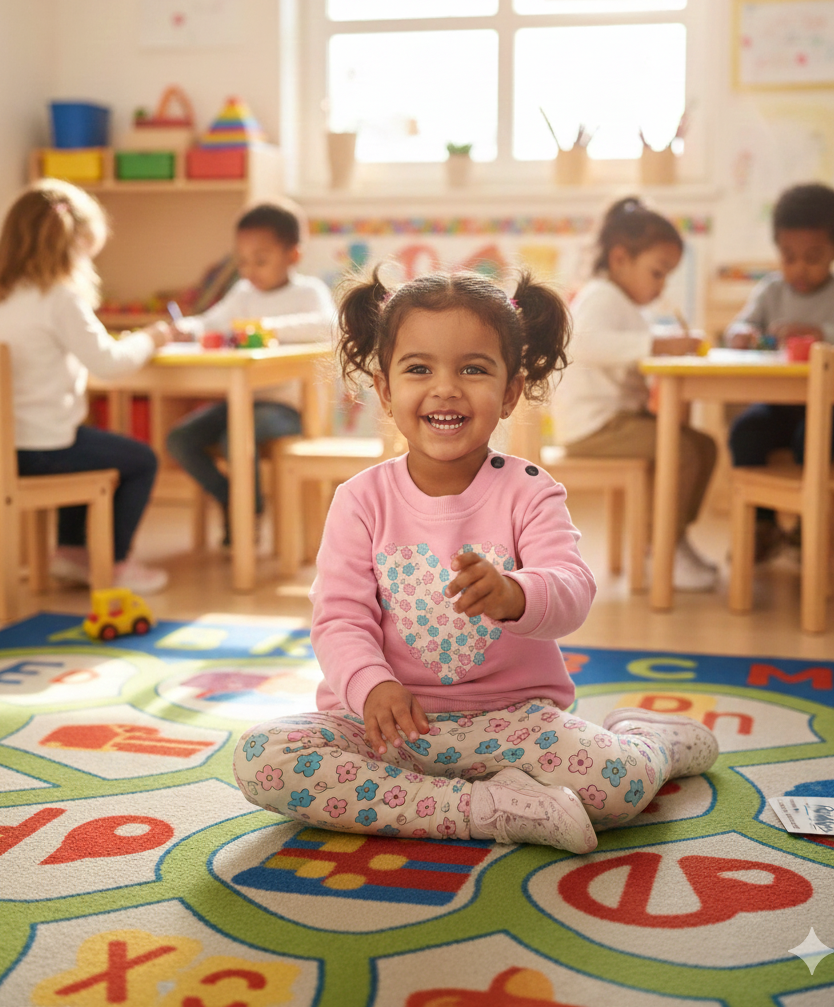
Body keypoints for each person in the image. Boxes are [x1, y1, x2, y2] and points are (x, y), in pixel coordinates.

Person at [231, 268, 719, 852]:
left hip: (513, 724)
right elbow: (339, 619)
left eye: (473, 369)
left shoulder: (531, 490)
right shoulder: (359, 500)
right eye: (418, 369)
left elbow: (572, 588)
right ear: (385, 390)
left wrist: (517, 594)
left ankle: (650, 743)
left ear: (510, 390)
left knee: (618, 787)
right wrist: (371, 687)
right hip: (387, 728)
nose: (445, 388)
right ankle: (489, 810)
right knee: (264, 758)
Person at [0, 179, 172, 594]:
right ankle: (114, 563)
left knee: (82, 441)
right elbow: (109, 363)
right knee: (140, 460)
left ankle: (70, 552)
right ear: (72, 246)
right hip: (40, 449)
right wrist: (151, 338)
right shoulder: (59, 298)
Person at [553, 197, 718, 591]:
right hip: (594, 427)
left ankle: (671, 539)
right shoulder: (600, 296)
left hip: (617, 422)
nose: (660, 286)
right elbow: (586, 345)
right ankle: (662, 549)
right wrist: (658, 345)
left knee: (703, 446)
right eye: (657, 273)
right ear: (621, 258)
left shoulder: (620, 301)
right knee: (683, 451)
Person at [167, 202, 336, 543]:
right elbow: (211, 323)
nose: (250, 271)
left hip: (290, 408)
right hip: (242, 400)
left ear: (293, 255)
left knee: (236, 435)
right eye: (242, 261)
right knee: (179, 439)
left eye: (261, 260)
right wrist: (184, 329)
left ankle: (245, 513)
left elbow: (328, 327)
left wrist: (266, 328)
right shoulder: (243, 293)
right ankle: (238, 501)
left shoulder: (308, 292)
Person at [725, 183, 834, 560]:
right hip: (778, 406)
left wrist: (821, 333)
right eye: (788, 256)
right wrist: (741, 334)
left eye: (813, 256)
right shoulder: (771, 291)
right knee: (746, 431)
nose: (799, 267)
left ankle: (809, 528)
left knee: (813, 437)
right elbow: (737, 327)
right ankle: (763, 526)